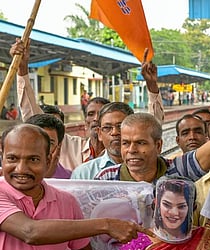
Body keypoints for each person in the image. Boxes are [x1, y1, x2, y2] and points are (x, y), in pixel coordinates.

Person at [0, 124, 149, 250]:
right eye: (12, 158)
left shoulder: (65, 202)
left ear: (49, 159)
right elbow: (30, 232)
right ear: (2, 157)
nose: (21, 169)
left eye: (33, 159)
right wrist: (106, 224)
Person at [95, 70, 210, 185]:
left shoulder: (179, 170)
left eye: (140, 143)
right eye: (126, 143)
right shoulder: (106, 180)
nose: (131, 150)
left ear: (159, 145)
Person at [10, 40, 164, 171]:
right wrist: (22, 69)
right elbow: (35, 122)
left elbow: (152, 127)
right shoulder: (68, 146)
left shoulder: (133, 158)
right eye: (91, 114)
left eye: (116, 124)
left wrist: (151, 85)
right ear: (87, 124)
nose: (96, 119)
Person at [71, 103, 134, 179]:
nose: (114, 132)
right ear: (100, 134)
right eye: (107, 127)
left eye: (120, 126)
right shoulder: (83, 174)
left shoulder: (147, 170)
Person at [25, 113, 72, 179]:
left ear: (59, 146)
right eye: (35, 141)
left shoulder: (71, 179)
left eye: (50, 143)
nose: (41, 149)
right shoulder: (12, 174)